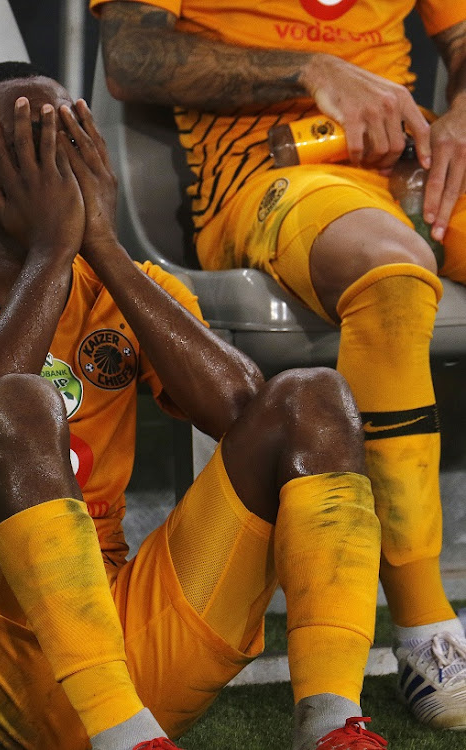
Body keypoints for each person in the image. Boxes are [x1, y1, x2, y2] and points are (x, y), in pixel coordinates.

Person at [0, 61, 389, 750]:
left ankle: (331, 725)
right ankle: (119, 731)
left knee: (312, 395)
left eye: (67, 136)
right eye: (25, 143)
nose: (52, 162)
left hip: (125, 651)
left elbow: (246, 410)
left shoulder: (123, 287)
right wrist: (54, 252)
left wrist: (103, 249)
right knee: (18, 403)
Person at [92, 0, 466, 731]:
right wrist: (310, 68)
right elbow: (130, 58)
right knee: (389, 278)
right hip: (270, 163)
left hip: (420, 153)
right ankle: (427, 632)